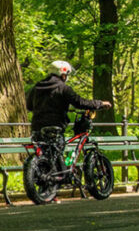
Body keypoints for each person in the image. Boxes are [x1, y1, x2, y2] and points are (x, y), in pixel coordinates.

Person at [27, 61, 111, 193]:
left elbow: (29, 106)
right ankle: (59, 182)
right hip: (55, 127)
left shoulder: (37, 87)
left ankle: (48, 192)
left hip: (37, 128)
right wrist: (100, 104)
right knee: (57, 153)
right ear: (63, 74)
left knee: (49, 155)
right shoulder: (63, 88)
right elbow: (80, 102)